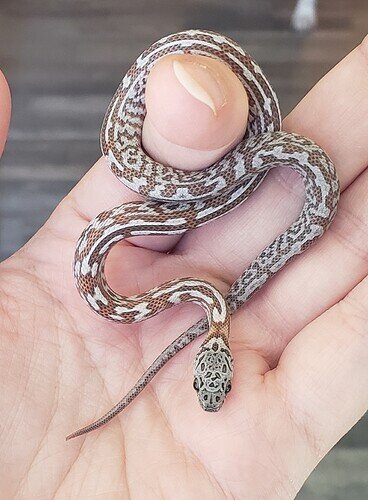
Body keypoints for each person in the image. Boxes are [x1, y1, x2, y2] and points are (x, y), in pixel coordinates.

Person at [0, 35, 367, 498]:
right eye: (215, 384)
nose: (211, 392)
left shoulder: (197, 299)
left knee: (197, 122)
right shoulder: (196, 296)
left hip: (249, 167)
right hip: (233, 163)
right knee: (194, 126)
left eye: (205, 386)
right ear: (218, 363)